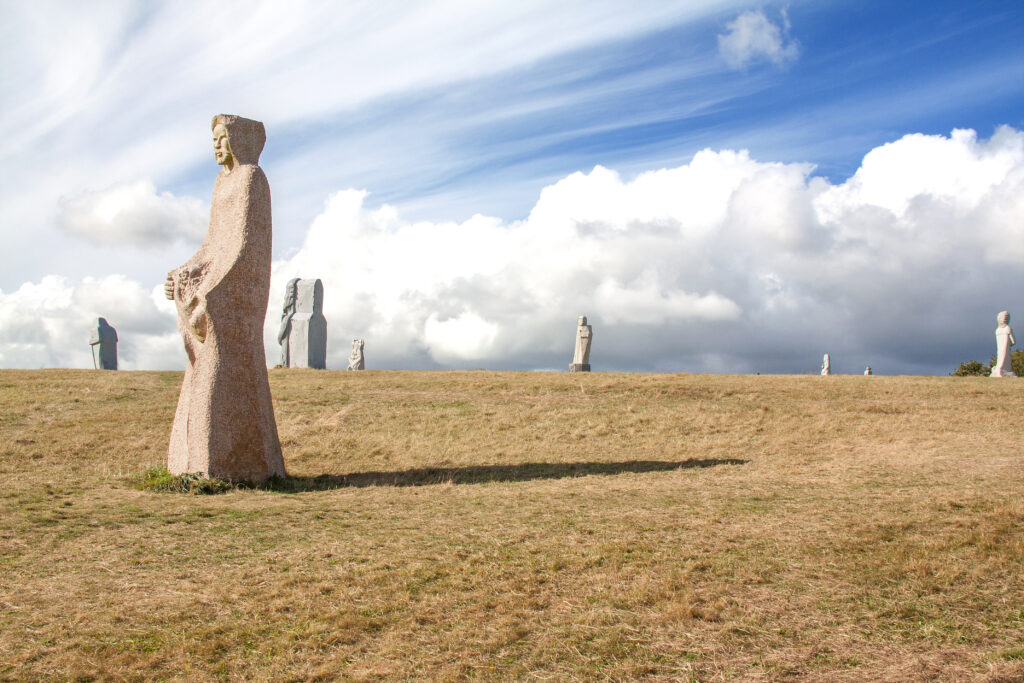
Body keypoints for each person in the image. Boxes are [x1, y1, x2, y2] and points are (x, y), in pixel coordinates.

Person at [163, 115, 285, 482]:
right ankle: (196, 463)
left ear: (240, 139)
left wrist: (211, 290)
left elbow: (245, 247)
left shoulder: (252, 178)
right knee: (200, 376)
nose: (217, 146)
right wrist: (182, 273)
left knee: (217, 374)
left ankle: (229, 463)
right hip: (217, 287)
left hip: (235, 295)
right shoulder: (221, 183)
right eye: (214, 139)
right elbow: (212, 244)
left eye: (223, 138)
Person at [992, 311, 1016, 377]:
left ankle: (999, 369)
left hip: (1000, 350)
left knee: (1001, 358)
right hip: (1006, 349)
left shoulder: (997, 330)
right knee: (1005, 359)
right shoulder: (1008, 328)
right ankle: (1002, 370)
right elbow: (1013, 342)